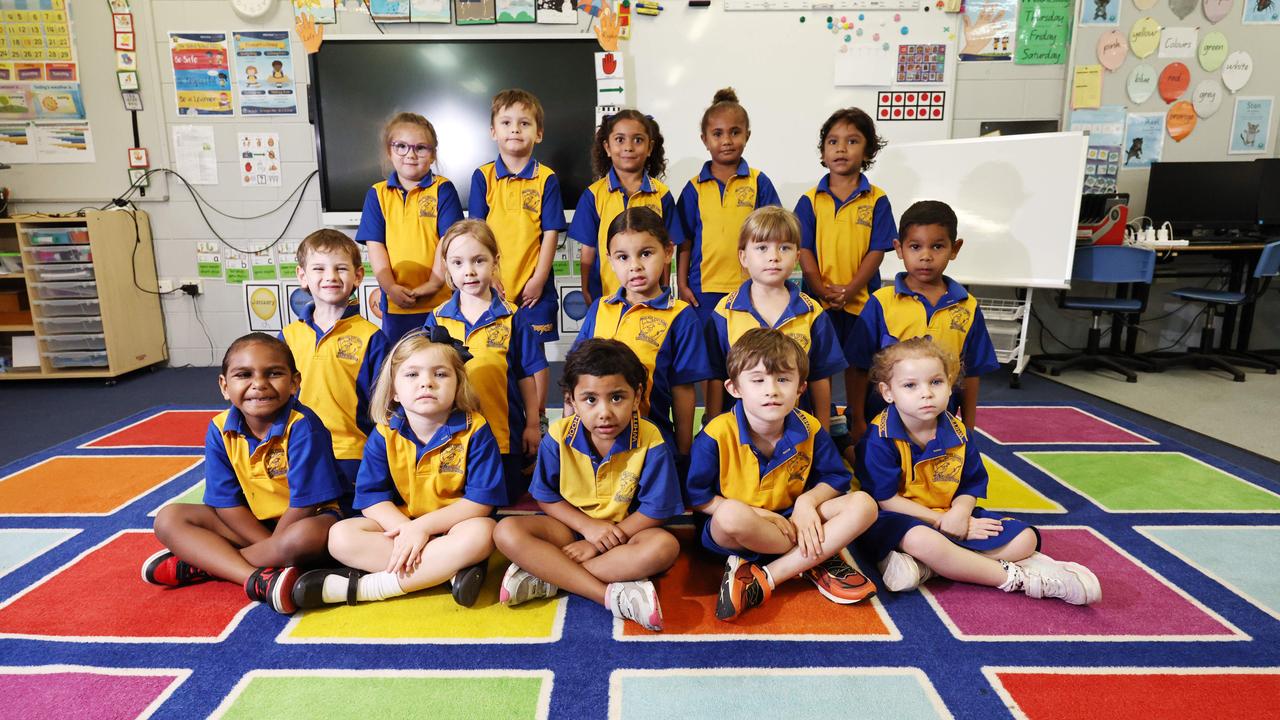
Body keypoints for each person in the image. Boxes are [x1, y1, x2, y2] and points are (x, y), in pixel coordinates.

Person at [855, 338, 1101, 604]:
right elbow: (885, 499)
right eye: (910, 385)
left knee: (1026, 540)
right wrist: (940, 521)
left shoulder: (960, 433)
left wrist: (960, 514)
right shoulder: (879, 437)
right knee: (923, 541)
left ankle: (930, 568)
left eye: (936, 382)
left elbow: (969, 485)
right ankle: (1016, 579)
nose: (925, 393)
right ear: (888, 392)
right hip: (897, 520)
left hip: (950, 516)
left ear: (950, 385)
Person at [291, 330, 507, 609]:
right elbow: (372, 499)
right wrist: (407, 530)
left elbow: (479, 503)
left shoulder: (474, 429)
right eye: (412, 375)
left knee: (483, 532)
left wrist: (423, 529)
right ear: (393, 390)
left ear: (458, 385)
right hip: (403, 524)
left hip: (456, 526)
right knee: (340, 537)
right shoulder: (384, 434)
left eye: (440, 374)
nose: (426, 383)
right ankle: (445, 572)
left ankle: (370, 587)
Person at [687, 328, 879, 622]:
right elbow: (698, 498)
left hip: (794, 520)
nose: (772, 390)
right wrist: (762, 515)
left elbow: (836, 479)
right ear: (734, 388)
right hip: (741, 529)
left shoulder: (811, 428)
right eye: (758, 380)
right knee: (730, 515)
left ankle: (769, 576)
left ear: (801, 388)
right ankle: (816, 557)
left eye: (783, 379)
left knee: (864, 504)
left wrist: (805, 505)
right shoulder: (716, 433)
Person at [143, 333, 343, 615]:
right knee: (169, 518)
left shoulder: (304, 426)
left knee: (303, 538)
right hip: (252, 526)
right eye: (244, 375)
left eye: (273, 373)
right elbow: (226, 504)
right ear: (225, 386)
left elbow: (305, 505)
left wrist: (278, 545)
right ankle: (254, 579)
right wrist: (269, 547)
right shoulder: (219, 428)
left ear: (295, 382)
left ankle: (204, 565)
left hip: (307, 519)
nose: (259, 384)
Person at [492, 339, 684, 632]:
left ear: (637, 396)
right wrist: (588, 529)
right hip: (571, 529)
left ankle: (546, 576)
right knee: (506, 531)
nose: (604, 412)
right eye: (590, 399)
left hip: (627, 533)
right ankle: (608, 596)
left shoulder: (650, 438)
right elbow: (546, 497)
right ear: (571, 400)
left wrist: (598, 542)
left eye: (617, 397)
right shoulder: (557, 436)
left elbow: (656, 511)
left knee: (664, 547)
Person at [845, 200, 999, 446]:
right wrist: (858, 420)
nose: (926, 256)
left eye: (937, 246)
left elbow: (971, 374)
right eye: (915, 247)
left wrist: (968, 429)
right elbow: (858, 367)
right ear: (899, 248)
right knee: (876, 476)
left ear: (954, 248)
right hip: (883, 424)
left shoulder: (967, 307)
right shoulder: (881, 302)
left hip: (940, 424)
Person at [573, 207, 712, 470]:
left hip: (650, 447)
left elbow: (683, 392)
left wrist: (684, 455)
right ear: (610, 261)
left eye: (646, 254)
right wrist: (568, 433)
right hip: (595, 444)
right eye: (622, 257)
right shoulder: (600, 308)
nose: (634, 266)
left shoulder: (680, 316)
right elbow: (576, 377)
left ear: (668, 251)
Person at [423, 219, 547, 500]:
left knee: (503, 501)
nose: (468, 271)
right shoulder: (437, 318)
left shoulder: (513, 317)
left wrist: (531, 425)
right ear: (447, 267)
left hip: (503, 437)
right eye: (457, 263)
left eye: (478, 260)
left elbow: (527, 376)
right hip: (452, 438)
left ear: (495, 262)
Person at [468, 89, 566, 431]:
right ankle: (500, 419)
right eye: (506, 122)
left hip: (533, 288)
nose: (515, 130)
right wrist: (489, 274)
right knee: (497, 355)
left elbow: (551, 232)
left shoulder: (547, 178)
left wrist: (538, 278)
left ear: (538, 133)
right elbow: (476, 231)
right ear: (493, 130)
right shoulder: (483, 177)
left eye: (524, 123)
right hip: (491, 287)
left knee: (536, 356)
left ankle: (536, 421)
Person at [705, 207, 846, 432]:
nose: (774, 256)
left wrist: (822, 432)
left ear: (797, 256)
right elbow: (715, 376)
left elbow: (821, 377)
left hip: (798, 429)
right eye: (762, 247)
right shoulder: (725, 312)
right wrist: (712, 428)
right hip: (739, 429)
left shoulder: (812, 312)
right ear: (743, 256)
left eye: (785, 248)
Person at [794, 107, 897, 408]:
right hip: (818, 298)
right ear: (823, 152)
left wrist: (850, 289)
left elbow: (876, 251)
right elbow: (804, 249)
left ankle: (857, 421)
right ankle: (816, 420)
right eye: (833, 141)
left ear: (868, 151)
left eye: (852, 141)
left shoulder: (877, 199)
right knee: (814, 363)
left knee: (859, 365)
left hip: (861, 300)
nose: (841, 148)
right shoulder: (810, 200)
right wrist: (821, 287)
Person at [281, 229, 389, 509]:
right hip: (295, 448)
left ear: (358, 276)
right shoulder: (288, 336)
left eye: (341, 268)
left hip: (351, 452)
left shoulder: (372, 337)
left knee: (341, 518)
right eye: (319, 268)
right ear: (302, 276)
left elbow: (384, 406)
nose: (330, 276)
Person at [356, 111, 464, 342]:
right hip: (396, 305)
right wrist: (390, 287)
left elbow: (449, 242)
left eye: (421, 148)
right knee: (401, 366)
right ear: (389, 151)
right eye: (401, 146)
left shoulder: (443, 189)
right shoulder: (377, 194)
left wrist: (433, 284)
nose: (410, 155)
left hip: (440, 303)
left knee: (442, 363)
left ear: (433, 154)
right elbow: (376, 247)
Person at [569, 109, 682, 306]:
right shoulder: (593, 196)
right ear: (607, 147)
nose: (628, 147)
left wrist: (664, 290)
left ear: (649, 147)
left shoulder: (662, 195)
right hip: (606, 297)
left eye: (638, 140)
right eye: (620, 140)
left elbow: (667, 248)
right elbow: (587, 252)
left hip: (651, 297)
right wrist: (586, 289)